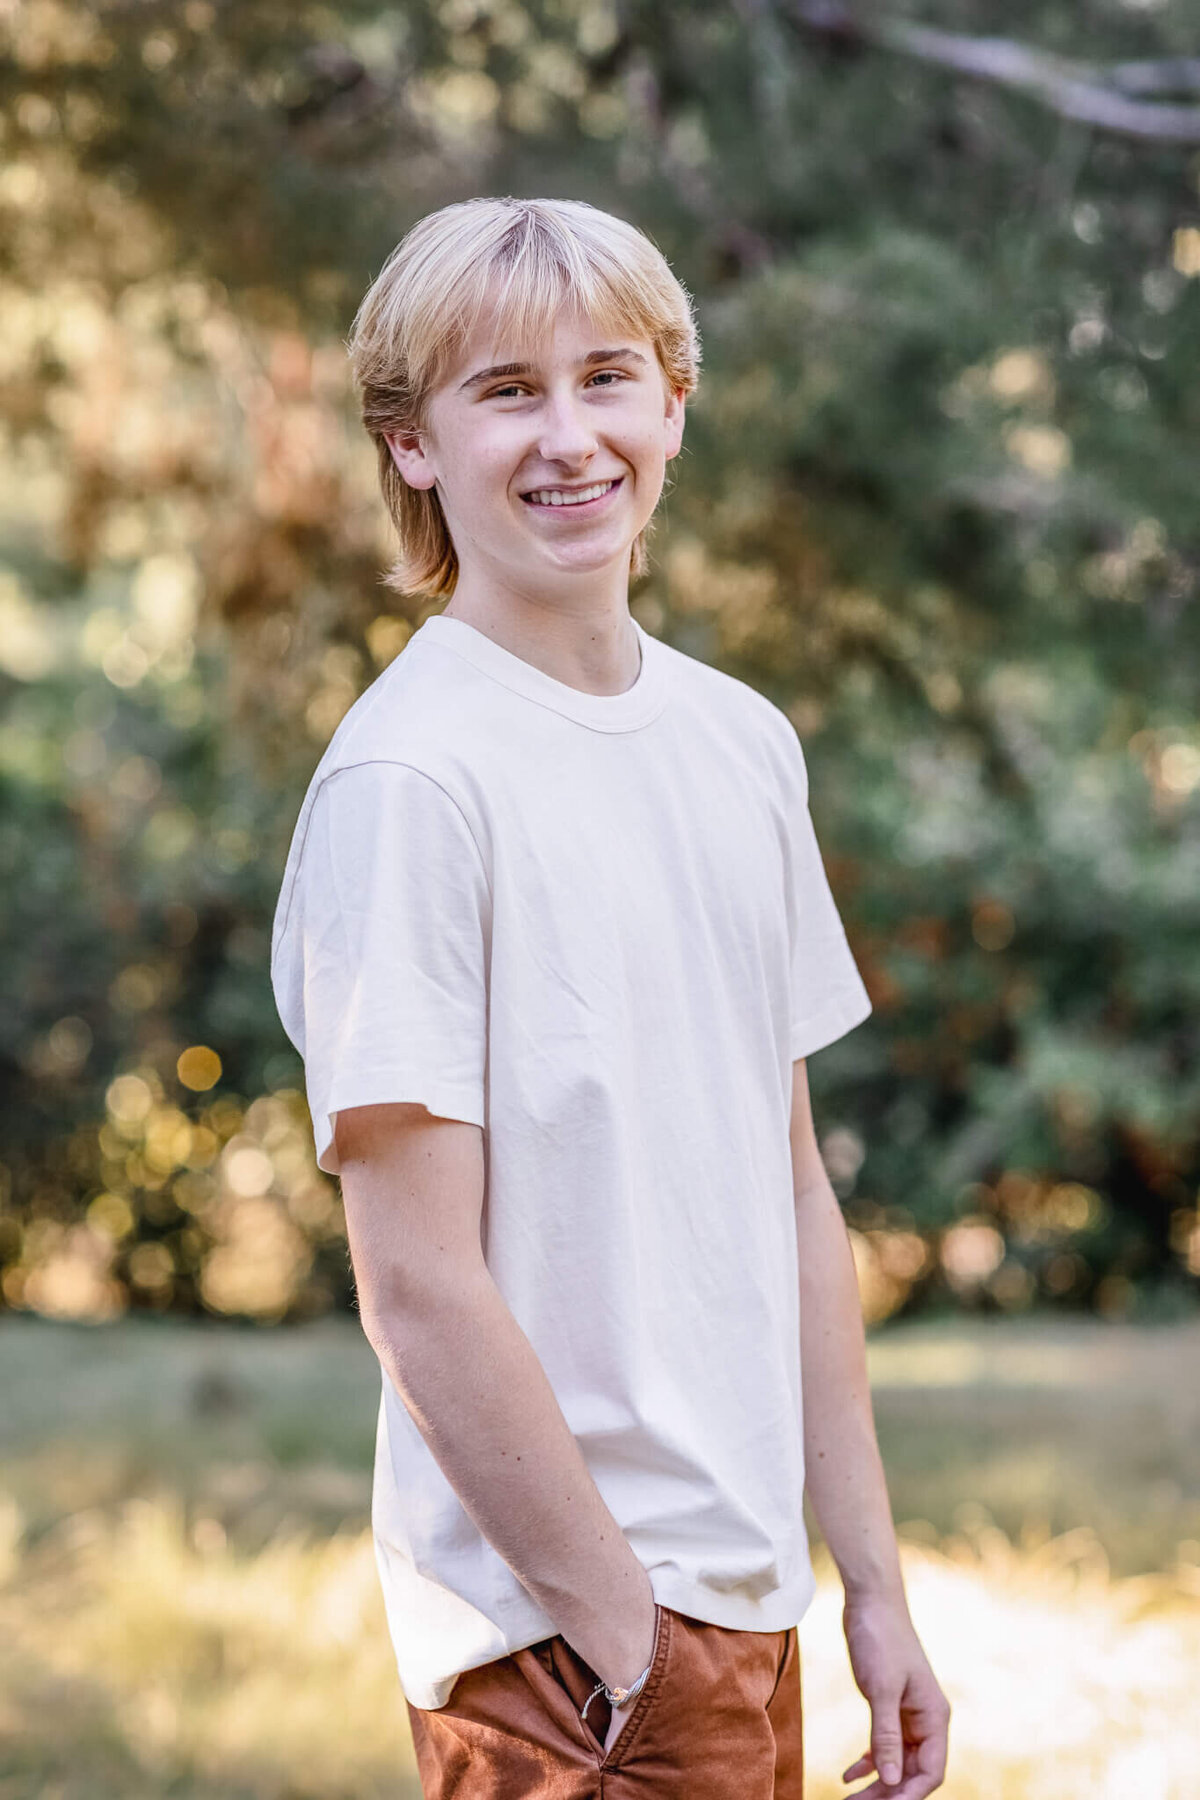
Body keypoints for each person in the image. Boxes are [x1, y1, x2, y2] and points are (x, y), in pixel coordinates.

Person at [270, 196, 950, 1798]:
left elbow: (787, 1192)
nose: (569, 437)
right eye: (506, 391)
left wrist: (873, 1585)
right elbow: (420, 1282)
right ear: (412, 442)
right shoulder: (411, 780)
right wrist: (620, 1646)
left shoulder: (742, 744)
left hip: (746, 1607)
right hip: (561, 1652)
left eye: (608, 378)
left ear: (673, 405)